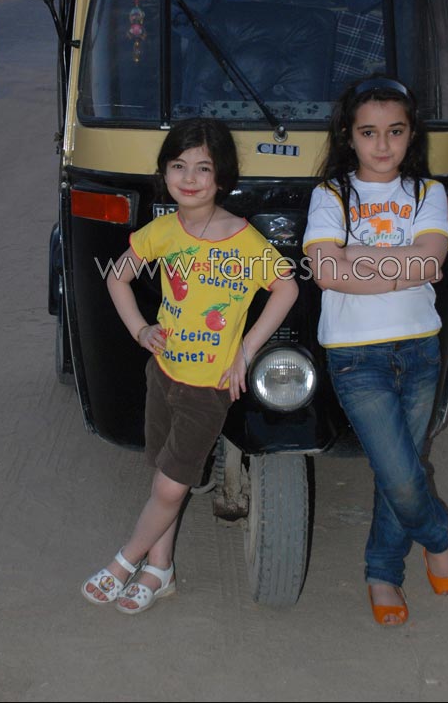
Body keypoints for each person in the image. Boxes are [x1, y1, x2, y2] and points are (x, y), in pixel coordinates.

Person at [81, 117, 298, 615]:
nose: (190, 178)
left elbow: (286, 288)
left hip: (208, 388)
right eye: (178, 166)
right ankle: (161, 569)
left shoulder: (244, 240)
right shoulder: (163, 231)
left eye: (204, 167)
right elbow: (117, 278)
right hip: (163, 374)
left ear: (223, 177)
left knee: (169, 484)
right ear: (164, 172)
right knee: (163, 473)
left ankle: (124, 561)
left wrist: (246, 350)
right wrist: (140, 330)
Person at [302, 77, 448, 626]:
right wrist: (401, 269)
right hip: (355, 356)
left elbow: (432, 260)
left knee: (404, 467)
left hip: (418, 349)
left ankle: (382, 573)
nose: (383, 144)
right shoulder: (331, 195)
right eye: (369, 132)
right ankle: (437, 534)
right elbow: (326, 272)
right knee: (399, 473)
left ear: (411, 133)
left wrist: (357, 262)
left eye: (395, 131)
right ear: (349, 136)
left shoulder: (427, 192)